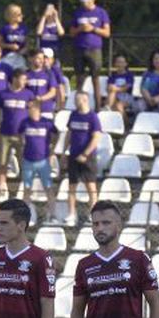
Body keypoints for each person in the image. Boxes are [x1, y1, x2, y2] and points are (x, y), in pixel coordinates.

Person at [64, 91, 102, 226]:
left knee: (91, 187)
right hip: (73, 155)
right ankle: (71, 214)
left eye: (78, 99)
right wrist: (64, 151)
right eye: (75, 99)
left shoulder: (92, 117)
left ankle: (93, 215)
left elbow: (96, 137)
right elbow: (69, 134)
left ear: (85, 100)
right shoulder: (73, 115)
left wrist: (85, 154)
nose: (76, 101)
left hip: (88, 158)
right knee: (71, 187)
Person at [0, 69, 34, 197]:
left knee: (24, 162)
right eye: (22, 79)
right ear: (15, 79)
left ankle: (25, 188)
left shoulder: (28, 94)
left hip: (22, 134)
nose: (24, 82)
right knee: (3, 162)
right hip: (5, 133)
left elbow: (32, 112)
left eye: (25, 79)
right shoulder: (3, 94)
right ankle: (1, 188)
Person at [17, 99, 59, 210]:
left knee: (48, 188)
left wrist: (52, 149)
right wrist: (22, 147)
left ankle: (53, 214)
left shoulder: (47, 122)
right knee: (27, 189)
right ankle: (25, 215)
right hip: (28, 160)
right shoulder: (24, 122)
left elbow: (56, 134)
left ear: (36, 108)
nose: (27, 110)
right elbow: (20, 136)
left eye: (29, 108)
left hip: (43, 161)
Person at [69, 0, 111, 88]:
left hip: (95, 49)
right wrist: (80, 29)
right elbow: (71, 32)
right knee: (79, 78)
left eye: (86, 1)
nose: (84, 4)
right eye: (83, 1)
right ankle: (78, 101)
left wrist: (93, 29)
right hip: (79, 48)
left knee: (95, 78)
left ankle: (98, 103)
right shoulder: (78, 13)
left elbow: (107, 33)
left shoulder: (101, 12)